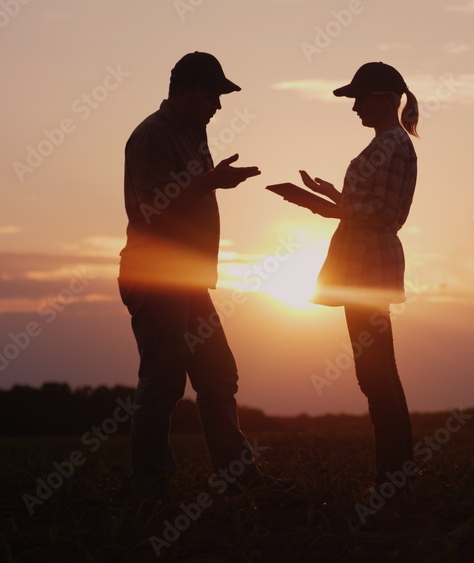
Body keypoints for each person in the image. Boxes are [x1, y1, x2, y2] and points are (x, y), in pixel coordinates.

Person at [271, 61, 419, 501]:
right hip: (360, 264)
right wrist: (332, 197)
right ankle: (398, 474)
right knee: (379, 372)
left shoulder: (394, 146)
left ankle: (393, 478)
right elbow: (370, 205)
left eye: (359, 98)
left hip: (368, 267)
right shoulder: (386, 144)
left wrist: (324, 208)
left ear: (385, 100)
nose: (353, 107)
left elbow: (388, 214)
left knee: (375, 375)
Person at [118, 52, 263, 498]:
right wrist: (211, 182)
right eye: (210, 95)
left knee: (218, 374)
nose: (218, 106)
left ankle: (235, 475)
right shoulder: (151, 137)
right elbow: (154, 205)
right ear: (180, 92)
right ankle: (152, 487)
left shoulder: (192, 133)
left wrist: (213, 181)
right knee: (163, 382)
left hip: (187, 279)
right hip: (156, 277)